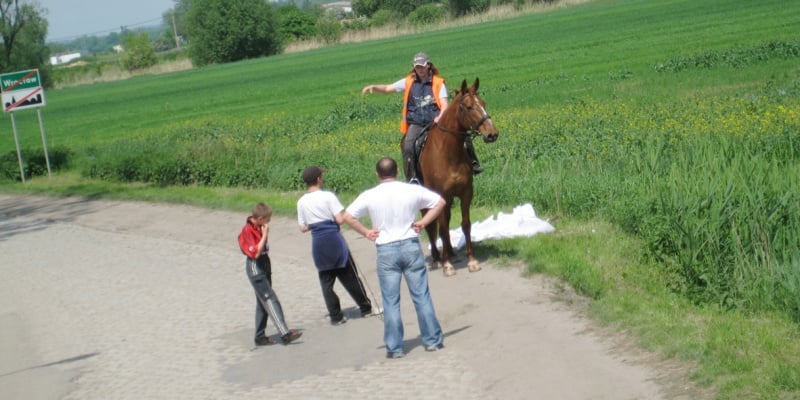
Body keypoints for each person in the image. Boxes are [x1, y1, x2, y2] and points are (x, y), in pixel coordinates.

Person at [342, 157, 447, 359]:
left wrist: (366, 232)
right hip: (409, 245)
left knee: (390, 301)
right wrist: (423, 222)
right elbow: (440, 202)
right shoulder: (411, 190)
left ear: (377, 175)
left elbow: (347, 216)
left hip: (386, 249)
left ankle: (395, 347)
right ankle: (432, 340)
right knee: (421, 296)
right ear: (397, 171)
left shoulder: (369, 195)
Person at [361, 52, 483, 182]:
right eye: (417, 67)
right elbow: (387, 88)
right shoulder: (409, 81)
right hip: (417, 123)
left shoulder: (438, 83)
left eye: (422, 66)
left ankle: (473, 163)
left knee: (463, 136)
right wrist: (374, 87)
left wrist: (440, 117)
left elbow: (444, 104)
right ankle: (412, 178)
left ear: (428, 66)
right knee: (408, 146)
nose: (420, 69)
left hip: (436, 121)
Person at [296, 166, 373, 325]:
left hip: (318, 242)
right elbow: (339, 219)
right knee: (350, 276)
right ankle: (365, 308)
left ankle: (335, 316)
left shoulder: (301, 201)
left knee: (326, 281)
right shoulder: (328, 196)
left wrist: (315, 225)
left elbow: (303, 227)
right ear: (318, 179)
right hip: (334, 239)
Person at [238, 202, 302, 346]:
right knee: (269, 298)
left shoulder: (259, 226)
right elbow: (255, 253)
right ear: (260, 218)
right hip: (255, 266)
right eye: (267, 219)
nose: (269, 223)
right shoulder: (248, 230)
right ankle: (284, 333)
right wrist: (265, 234)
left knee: (262, 302)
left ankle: (259, 336)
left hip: (265, 262)